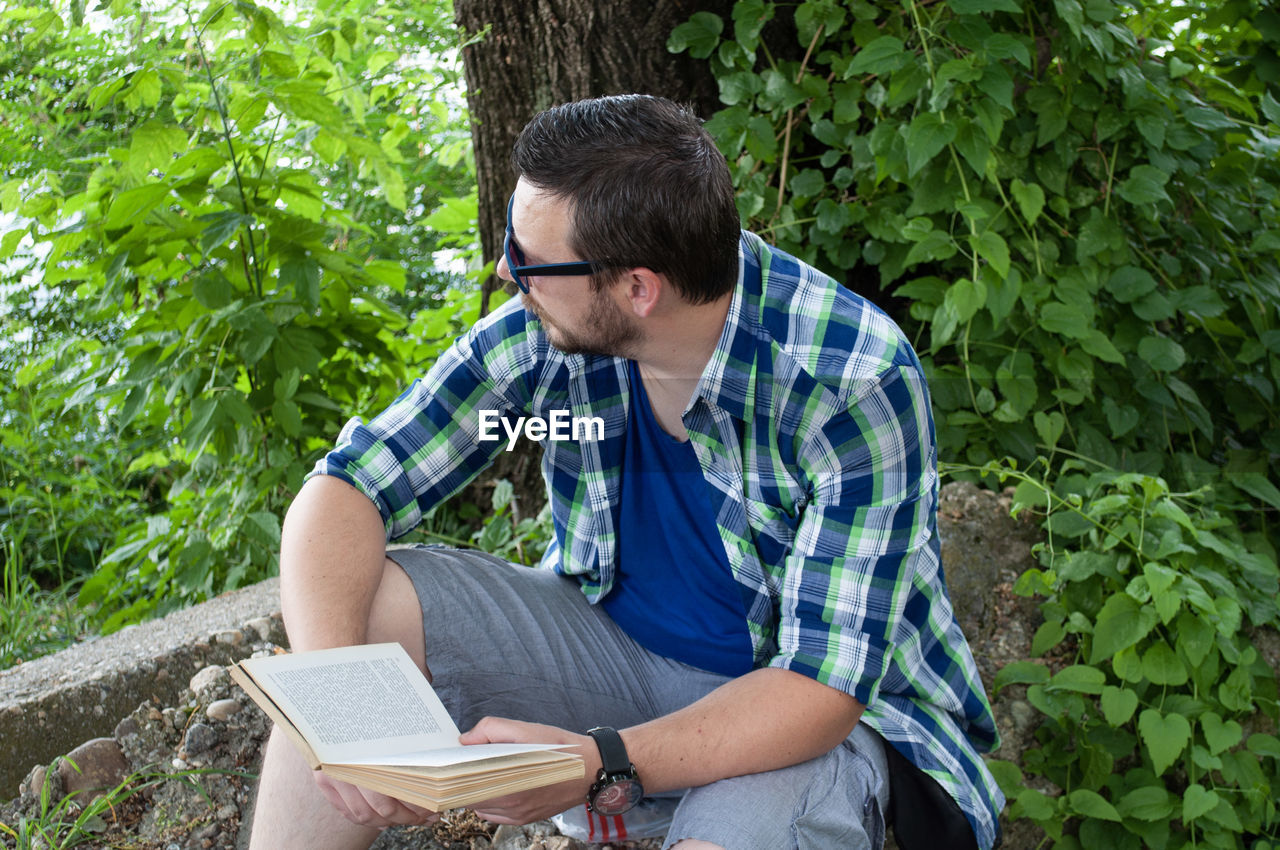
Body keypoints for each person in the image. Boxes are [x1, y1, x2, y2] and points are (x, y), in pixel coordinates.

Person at [247, 94, 1004, 850]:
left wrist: (599, 762)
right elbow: (350, 486)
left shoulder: (848, 383)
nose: (510, 277)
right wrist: (339, 712)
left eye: (530, 262)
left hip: (803, 721)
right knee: (360, 612)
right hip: (612, 661)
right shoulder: (548, 334)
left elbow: (820, 690)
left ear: (637, 288)